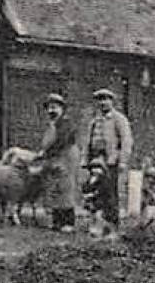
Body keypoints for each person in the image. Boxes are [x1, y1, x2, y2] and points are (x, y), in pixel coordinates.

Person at [84, 87, 134, 236]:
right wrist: (85, 159)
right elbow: (88, 141)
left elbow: (126, 140)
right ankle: (98, 224)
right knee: (95, 192)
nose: (103, 103)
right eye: (100, 100)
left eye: (106, 99)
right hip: (95, 160)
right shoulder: (95, 121)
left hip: (110, 161)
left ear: (112, 101)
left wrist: (123, 160)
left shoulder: (119, 119)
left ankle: (112, 226)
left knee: (110, 193)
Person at [34, 92, 81, 233]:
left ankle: (68, 222)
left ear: (62, 109)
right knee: (54, 188)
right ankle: (57, 221)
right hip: (55, 158)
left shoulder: (66, 123)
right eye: (49, 108)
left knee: (65, 188)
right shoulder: (52, 124)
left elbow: (62, 141)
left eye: (55, 108)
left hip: (66, 157)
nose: (51, 111)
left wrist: (46, 153)